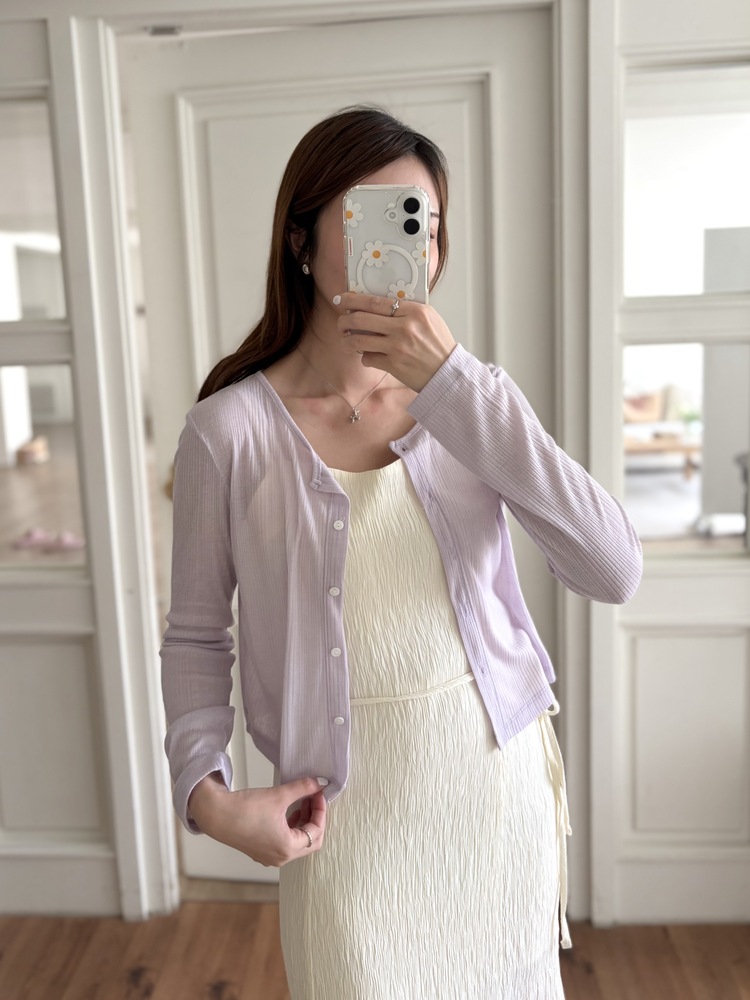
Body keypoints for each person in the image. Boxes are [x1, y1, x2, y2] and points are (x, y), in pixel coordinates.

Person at [160, 106, 642, 999]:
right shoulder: (227, 434)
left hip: (494, 807)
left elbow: (612, 569)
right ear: (301, 242)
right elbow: (195, 635)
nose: (402, 246)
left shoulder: (472, 405)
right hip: (344, 827)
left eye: (420, 222)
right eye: (371, 219)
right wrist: (209, 796)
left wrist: (458, 387)